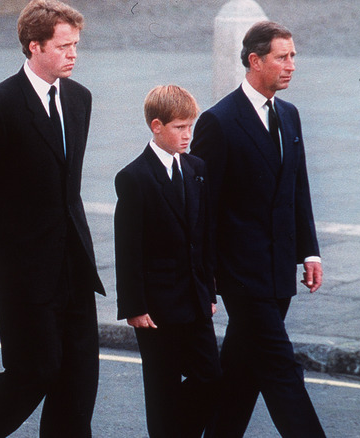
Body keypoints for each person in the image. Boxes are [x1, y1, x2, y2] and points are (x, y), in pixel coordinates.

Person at [0, 1, 104, 436]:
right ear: (33, 46)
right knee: (31, 374)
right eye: (63, 46)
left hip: (74, 267)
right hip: (23, 273)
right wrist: (7, 255)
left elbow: (64, 185)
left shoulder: (79, 99)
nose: (73, 54)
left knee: (78, 387)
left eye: (76, 45)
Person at [190, 21, 325, 437]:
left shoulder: (289, 114)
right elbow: (201, 208)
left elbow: (296, 187)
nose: (291, 65)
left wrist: (310, 251)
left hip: (279, 268)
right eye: (282, 57)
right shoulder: (219, 121)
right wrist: (205, 278)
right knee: (282, 368)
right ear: (255, 60)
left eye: (293, 57)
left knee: (241, 372)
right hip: (241, 275)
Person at [114, 85, 221, 437]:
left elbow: (204, 237)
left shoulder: (197, 168)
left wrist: (210, 292)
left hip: (194, 300)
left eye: (191, 126)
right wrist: (134, 305)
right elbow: (128, 248)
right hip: (156, 308)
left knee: (210, 379)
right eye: (179, 127)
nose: (187, 135)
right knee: (161, 388)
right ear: (156, 126)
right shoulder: (134, 177)